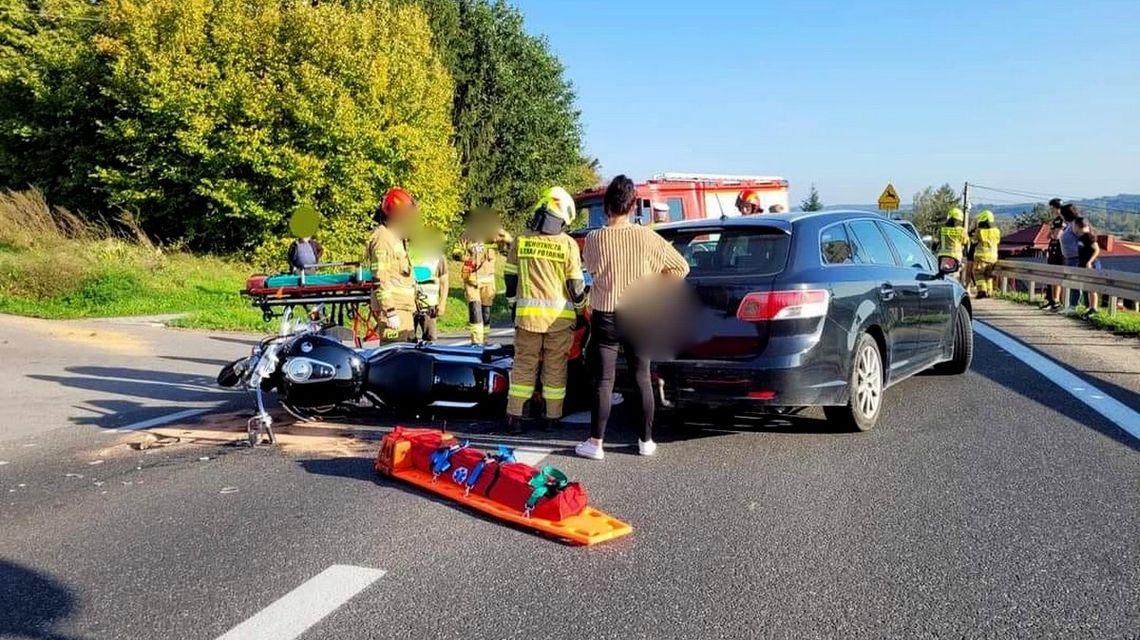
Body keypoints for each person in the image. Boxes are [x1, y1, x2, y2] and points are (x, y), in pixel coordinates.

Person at [576, 175, 690, 460]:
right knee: (642, 377)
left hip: (605, 314)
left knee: (604, 380)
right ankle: (645, 441)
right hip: (641, 313)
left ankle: (596, 443)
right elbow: (681, 267)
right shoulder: (649, 237)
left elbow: (591, 268)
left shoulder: (593, 238)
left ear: (606, 206)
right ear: (632, 206)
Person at [502, 187, 586, 434]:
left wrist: (513, 307)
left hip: (527, 319)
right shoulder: (567, 244)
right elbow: (575, 285)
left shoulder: (522, 240)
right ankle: (552, 418)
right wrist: (581, 310)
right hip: (559, 321)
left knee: (524, 365)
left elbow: (509, 280)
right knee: (555, 367)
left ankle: (515, 417)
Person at [365, 187, 418, 342]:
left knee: (406, 357)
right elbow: (380, 278)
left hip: (403, 309)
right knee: (394, 359)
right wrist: (390, 311)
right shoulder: (383, 239)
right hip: (394, 310)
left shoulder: (395, 238)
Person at [459, 208, 501, 345]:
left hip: (488, 282)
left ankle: (485, 340)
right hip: (471, 280)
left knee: (486, 312)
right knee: (475, 310)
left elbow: (506, 248)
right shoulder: (466, 235)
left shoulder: (493, 236)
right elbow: (456, 252)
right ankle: (476, 342)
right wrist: (467, 252)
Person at [408, 230, 448, 342]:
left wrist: (442, 303)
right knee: (408, 341)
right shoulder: (406, 256)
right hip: (410, 306)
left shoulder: (437, 257)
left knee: (430, 341)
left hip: (430, 307)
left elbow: (444, 282)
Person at [1075, 217, 1103, 318]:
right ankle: (1090, 307)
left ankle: (1094, 308)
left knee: (1092, 288)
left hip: (1092, 265)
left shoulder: (1089, 236)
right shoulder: (1081, 237)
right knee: (1087, 287)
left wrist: (1089, 262)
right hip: (1083, 265)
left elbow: (1097, 250)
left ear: (1078, 226)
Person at [970, 209, 1001, 298]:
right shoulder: (996, 231)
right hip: (993, 257)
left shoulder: (979, 231)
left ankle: (982, 291)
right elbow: (998, 241)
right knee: (988, 275)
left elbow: (974, 241)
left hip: (981, 257)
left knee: (979, 274)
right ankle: (989, 292)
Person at [1059, 203, 1082, 308]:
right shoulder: (1068, 225)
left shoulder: (1076, 224)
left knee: (1076, 283)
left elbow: (1084, 239)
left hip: (1077, 258)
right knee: (1072, 283)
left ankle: (1074, 305)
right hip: (1069, 258)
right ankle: (1071, 305)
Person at [1041, 215, 1065, 309]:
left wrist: (1054, 231)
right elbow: (1048, 236)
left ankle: (1057, 300)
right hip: (1052, 252)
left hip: (1059, 253)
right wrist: (1053, 231)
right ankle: (1052, 299)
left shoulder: (1062, 220)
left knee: (1058, 278)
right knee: (1052, 277)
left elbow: (1056, 236)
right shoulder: (1055, 221)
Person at [937, 207, 968, 280]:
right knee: (954, 277)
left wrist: (933, 250)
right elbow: (965, 242)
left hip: (942, 256)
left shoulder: (942, 229)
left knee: (942, 276)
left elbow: (936, 242)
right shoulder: (961, 231)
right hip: (955, 257)